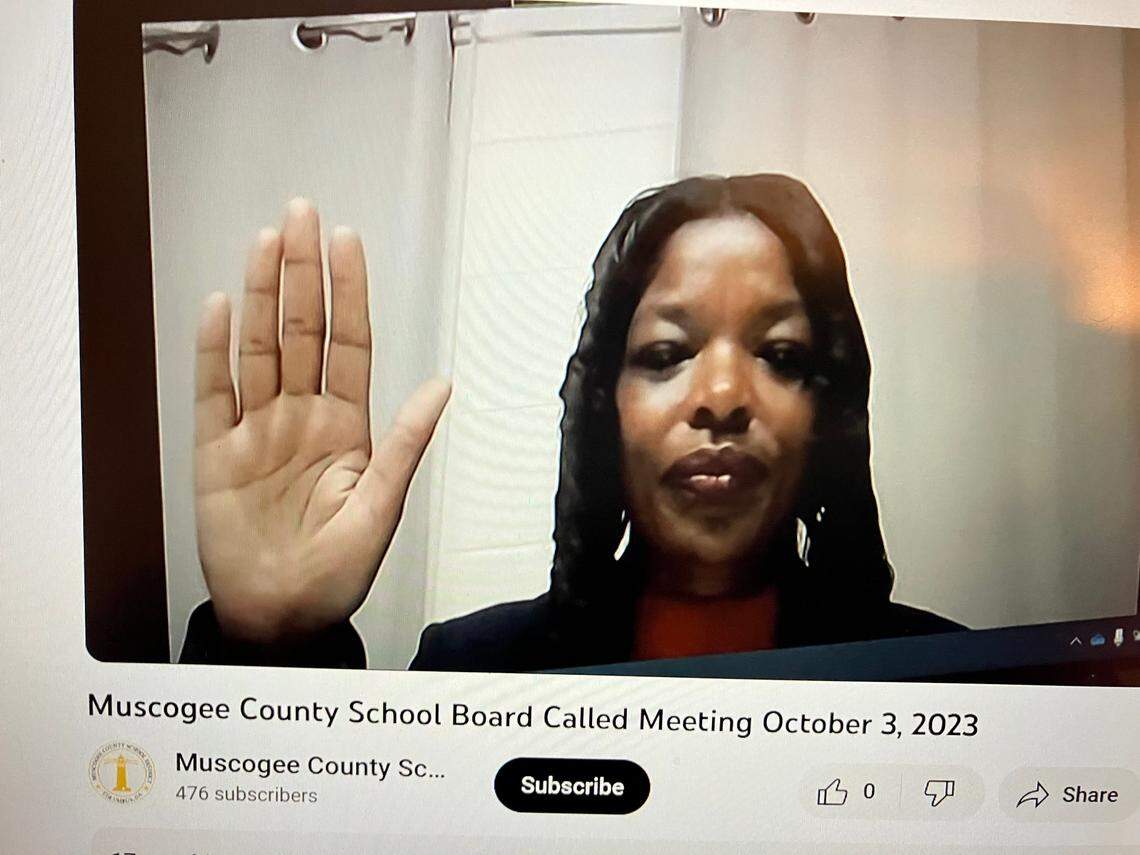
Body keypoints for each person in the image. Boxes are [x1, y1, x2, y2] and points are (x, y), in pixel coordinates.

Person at [181, 174, 962, 669]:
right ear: (602, 405)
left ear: (828, 407)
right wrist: (270, 644)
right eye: (666, 353)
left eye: (781, 355)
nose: (723, 394)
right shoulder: (473, 667)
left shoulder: (948, 674)